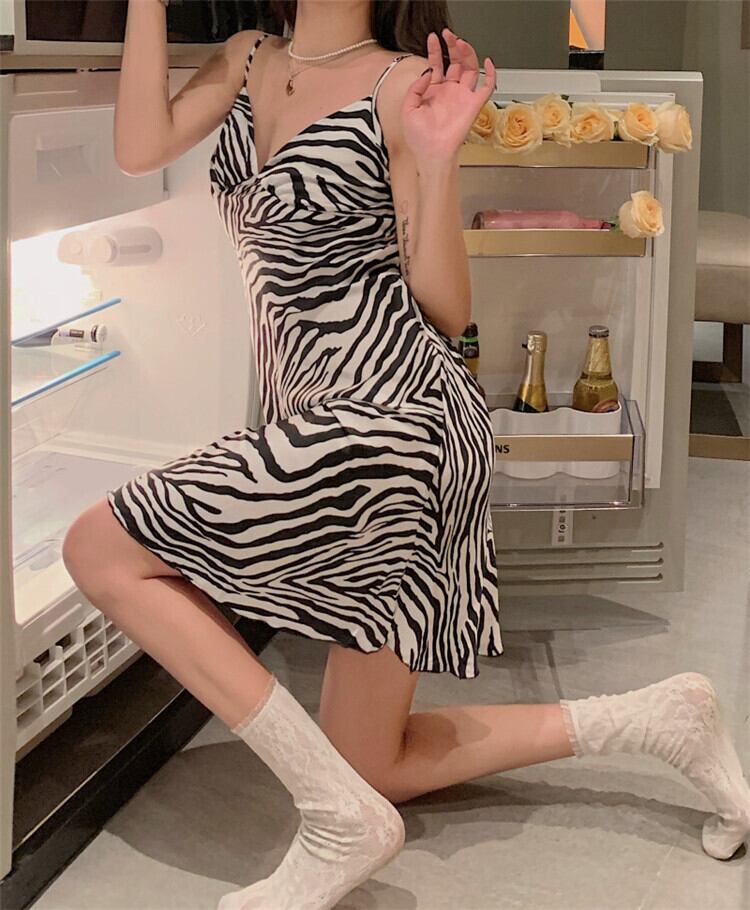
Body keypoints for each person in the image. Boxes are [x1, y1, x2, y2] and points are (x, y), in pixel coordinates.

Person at [62, 2, 750, 908]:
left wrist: (438, 155)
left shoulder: (399, 83)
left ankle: (334, 819)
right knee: (372, 762)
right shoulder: (246, 58)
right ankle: (661, 718)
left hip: (398, 418)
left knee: (98, 547)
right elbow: (139, 147)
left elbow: (449, 310)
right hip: (331, 417)